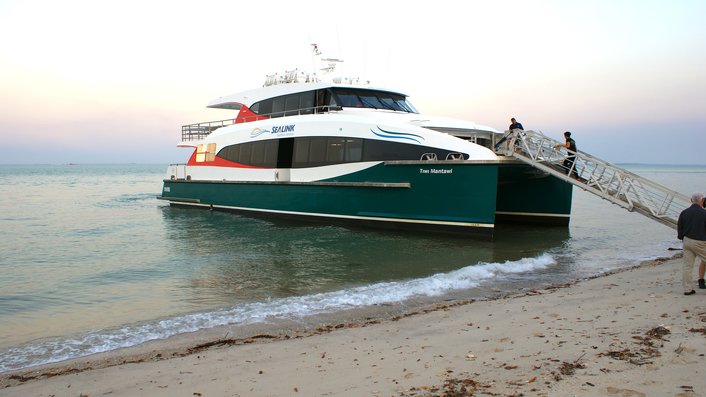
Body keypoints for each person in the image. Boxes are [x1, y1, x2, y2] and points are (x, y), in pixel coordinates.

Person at [677, 192, 706, 295]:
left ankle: (688, 289)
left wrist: (681, 237)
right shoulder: (704, 213)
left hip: (687, 240)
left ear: (691, 200)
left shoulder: (684, 212)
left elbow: (680, 227)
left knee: (687, 266)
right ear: (702, 201)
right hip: (700, 242)